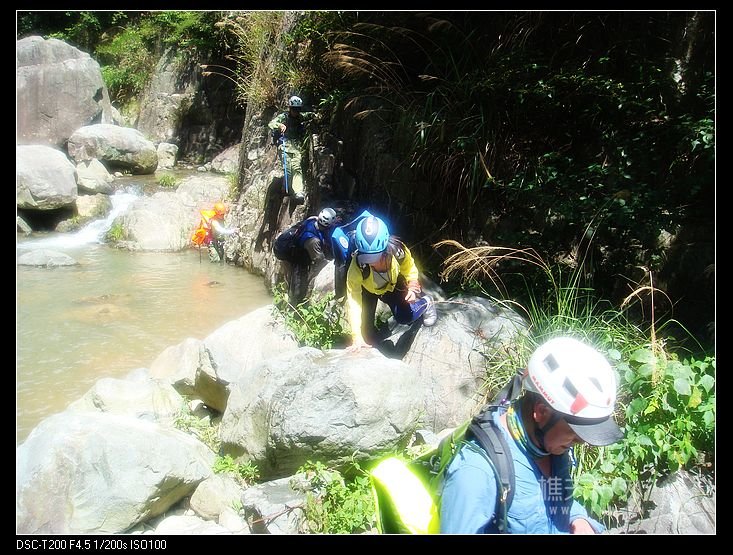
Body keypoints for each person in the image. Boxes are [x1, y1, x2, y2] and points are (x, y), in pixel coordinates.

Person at [439, 336, 624, 534]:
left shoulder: (550, 447)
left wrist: (579, 519)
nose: (582, 441)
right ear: (542, 412)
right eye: (575, 431)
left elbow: (553, 502)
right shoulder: (476, 472)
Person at [345, 215, 437, 351]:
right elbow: (354, 300)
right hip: (368, 290)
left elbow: (409, 269)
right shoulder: (357, 265)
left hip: (392, 287)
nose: (371, 263)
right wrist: (356, 336)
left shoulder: (398, 251)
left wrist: (412, 288)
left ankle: (426, 302)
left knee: (405, 317)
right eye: (367, 257)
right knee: (365, 334)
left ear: (385, 248)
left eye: (376, 257)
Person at [286, 207, 338, 306]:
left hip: (302, 252)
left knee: (297, 283)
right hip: (299, 259)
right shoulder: (313, 241)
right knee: (298, 287)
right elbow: (319, 260)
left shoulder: (313, 219)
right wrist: (331, 263)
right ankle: (295, 306)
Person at [267, 95, 314, 205]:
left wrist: (317, 115)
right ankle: (286, 188)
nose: (296, 112)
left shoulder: (300, 117)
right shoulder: (283, 117)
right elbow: (271, 124)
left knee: (297, 167)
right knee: (287, 169)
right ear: (290, 108)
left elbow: (310, 115)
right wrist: (279, 125)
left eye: (298, 109)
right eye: (294, 109)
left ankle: (298, 191)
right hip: (284, 145)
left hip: (296, 147)